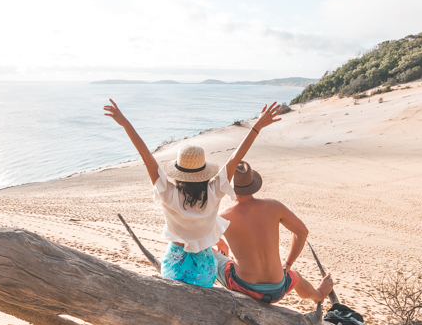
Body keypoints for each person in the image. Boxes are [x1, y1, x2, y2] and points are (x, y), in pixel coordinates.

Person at [103, 99, 281, 287]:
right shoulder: (215, 190)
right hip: (204, 269)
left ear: (178, 173)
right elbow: (236, 157)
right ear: (204, 172)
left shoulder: (167, 192)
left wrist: (125, 124)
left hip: (174, 266)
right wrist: (257, 126)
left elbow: (145, 155)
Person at [216, 161, 333, 304]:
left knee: (213, 256)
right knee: (296, 277)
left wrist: (220, 242)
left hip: (244, 288)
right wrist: (288, 263)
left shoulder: (223, 217)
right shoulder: (273, 206)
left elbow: (201, 241)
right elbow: (302, 232)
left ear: (229, 188)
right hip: (277, 289)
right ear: (253, 185)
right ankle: (318, 295)